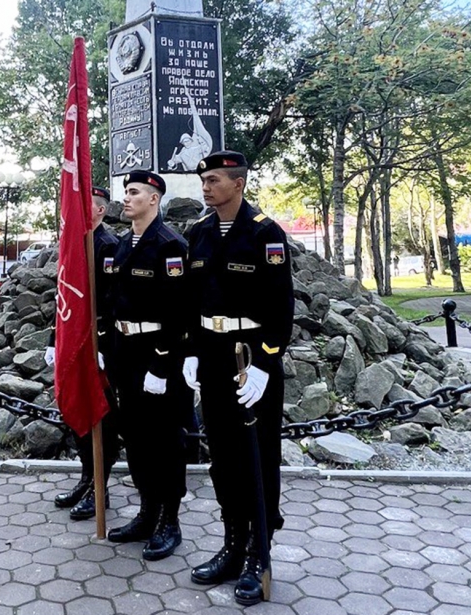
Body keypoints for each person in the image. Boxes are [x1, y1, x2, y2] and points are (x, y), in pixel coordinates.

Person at [182, 150, 294, 606]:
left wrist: (266, 364)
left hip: (249, 358)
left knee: (259, 456)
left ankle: (258, 554)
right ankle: (232, 544)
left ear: (238, 183)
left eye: (213, 180)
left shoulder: (266, 233)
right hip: (211, 354)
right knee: (223, 455)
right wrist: (190, 351)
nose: (206, 187)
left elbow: (280, 307)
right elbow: (192, 300)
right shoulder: (200, 233)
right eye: (204, 180)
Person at [106, 170, 190, 561]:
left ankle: (169, 521)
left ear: (153, 199)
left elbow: (178, 313)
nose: (126, 198)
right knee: (136, 438)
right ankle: (147, 511)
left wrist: (161, 364)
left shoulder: (169, 245)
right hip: (126, 351)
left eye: (134, 192)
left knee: (164, 441)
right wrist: (107, 346)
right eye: (126, 191)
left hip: (157, 356)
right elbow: (113, 301)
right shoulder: (124, 244)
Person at [46, 186, 122, 521]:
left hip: (97, 349)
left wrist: (103, 347)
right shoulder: (73, 244)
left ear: (101, 210)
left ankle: (99, 489)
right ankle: (85, 478)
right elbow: (65, 297)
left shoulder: (108, 246)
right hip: (74, 345)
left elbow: (112, 303)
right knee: (76, 413)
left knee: (101, 421)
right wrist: (53, 340)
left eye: (84, 205)